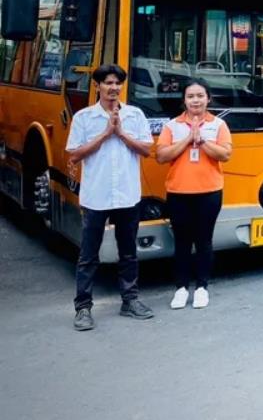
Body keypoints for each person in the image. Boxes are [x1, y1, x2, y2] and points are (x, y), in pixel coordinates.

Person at [66, 64, 154, 331]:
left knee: (128, 252)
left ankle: (130, 300)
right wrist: (105, 134)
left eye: (117, 83)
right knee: (88, 255)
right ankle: (83, 308)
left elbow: (146, 149)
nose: (113, 88)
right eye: (108, 83)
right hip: (96, 196)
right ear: (98, 86)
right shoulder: (84, 117)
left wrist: (121, 133)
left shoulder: (135, 115)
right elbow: (75, 154)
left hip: (127, 195)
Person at [155, 78, 232, 309]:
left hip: (209, 192)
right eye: (191, 96)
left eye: (200, 96)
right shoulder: (172, 126)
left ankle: (201, 287)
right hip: (179, 192)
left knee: (204, 241)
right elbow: (162, 156)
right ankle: (180, 288)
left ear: (208, 98)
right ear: (184, 100)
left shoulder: (218, 125)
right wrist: (189, 138)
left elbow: (225, 154)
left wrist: (203, 141)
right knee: (181, 242)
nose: (195, 100)